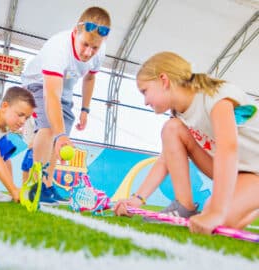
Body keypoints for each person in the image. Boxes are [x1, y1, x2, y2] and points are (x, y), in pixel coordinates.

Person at [114, 51, 259, 235]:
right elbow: (165, 160)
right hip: (237, 169)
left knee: (220, 220)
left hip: (254, 171)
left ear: (164, 80)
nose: (145, 101)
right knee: (171, 129)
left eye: (145, 91)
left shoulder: (215, 95)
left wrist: (215, 211)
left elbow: (228, 149)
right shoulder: (179, 114)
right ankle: (185, 206)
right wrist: (137, 198)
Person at [21, 6, 111, 205]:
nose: (89, 52)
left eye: (94, 48)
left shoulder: (99, 50)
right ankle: (34, 185)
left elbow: (89, 79)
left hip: (64, 91)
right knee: (49, 128)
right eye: (85, 44)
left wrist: (85, 110)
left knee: (61, 139)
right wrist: (59, 134)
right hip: (38, 83)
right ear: (75, 32)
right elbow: (51, 95)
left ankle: (47, 183)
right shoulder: (58, 47)